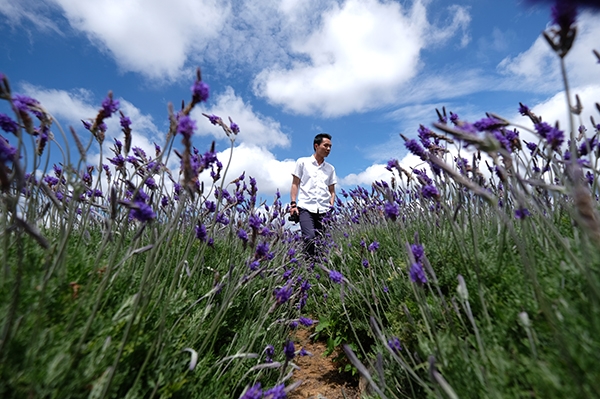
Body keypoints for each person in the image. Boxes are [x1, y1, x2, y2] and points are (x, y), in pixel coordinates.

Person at [290, 133, 337, 259]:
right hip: (305, 207)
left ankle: (319, 270)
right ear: (316, 146)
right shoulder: (303, 162)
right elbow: (295, 184)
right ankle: (307, 267)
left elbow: (332, 190)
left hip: (324, 210)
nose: (328, 149)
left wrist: (331, 205)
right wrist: (293, 204)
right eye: (325, 145)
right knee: (310, 238)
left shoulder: (330, 168)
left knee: (322, 243)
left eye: (330, 146)